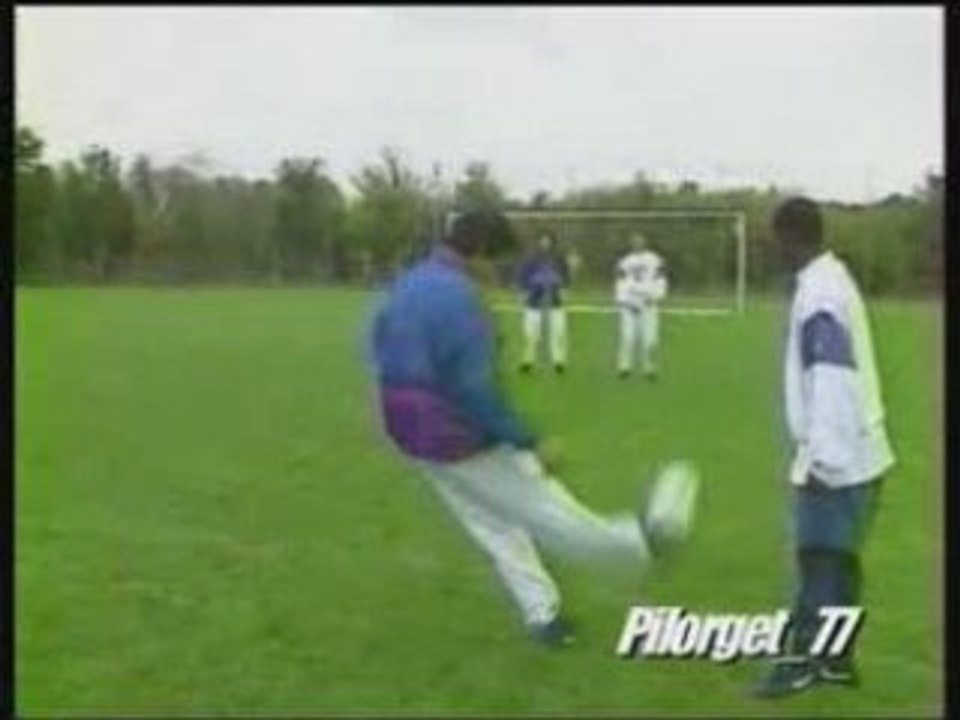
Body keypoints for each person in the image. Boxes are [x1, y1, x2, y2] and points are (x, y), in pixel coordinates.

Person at [367, 210, 698, 647]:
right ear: (481, 253)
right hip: (453, 432)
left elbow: (375, 344)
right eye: (495, 262)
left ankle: (542, 614)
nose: (495, 274)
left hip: (406, 427)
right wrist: (530, 440)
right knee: (549, 512)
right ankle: (641, 545)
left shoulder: (405, 283)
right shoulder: (461, 300)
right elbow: (473, 389)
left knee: (491, 524)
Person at [750, 197, 894, 698]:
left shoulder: (820, 293)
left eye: (774, 240)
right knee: (841, 563)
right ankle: (836, 660)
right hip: (865, 455)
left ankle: (800, 662)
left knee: (819, 560)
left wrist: (823, 458)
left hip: (840, 458)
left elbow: (832, 377)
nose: (772, 250)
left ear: (792, 237)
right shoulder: (831, 281)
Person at [615, 234, 667, 379]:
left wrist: (656, 297)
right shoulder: (624, 262)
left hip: (649, 303)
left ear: (645, 243)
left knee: (650, 339)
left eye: (640, 242)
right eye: (635, 242)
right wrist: (625, 301)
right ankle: (624, 367)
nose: (637, 244)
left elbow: (661, 279)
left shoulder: (655, 259)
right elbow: (620, 283)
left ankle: (650, 369)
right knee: (628, 337)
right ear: (631, 244)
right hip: (629, 305)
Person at [516, 232, 570, 375]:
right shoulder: (531, 258)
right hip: (534, 300)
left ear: (552, 242)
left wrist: (564, 290)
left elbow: (565, 275)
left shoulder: (559, 258)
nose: (545, 243)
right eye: (543, 240)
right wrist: (523, 292)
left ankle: (559, 362)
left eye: (548, 240)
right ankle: (528, 361)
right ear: (539, 241)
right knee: (531, 333)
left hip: (555, 299)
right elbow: (522, 275)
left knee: (558, 332)